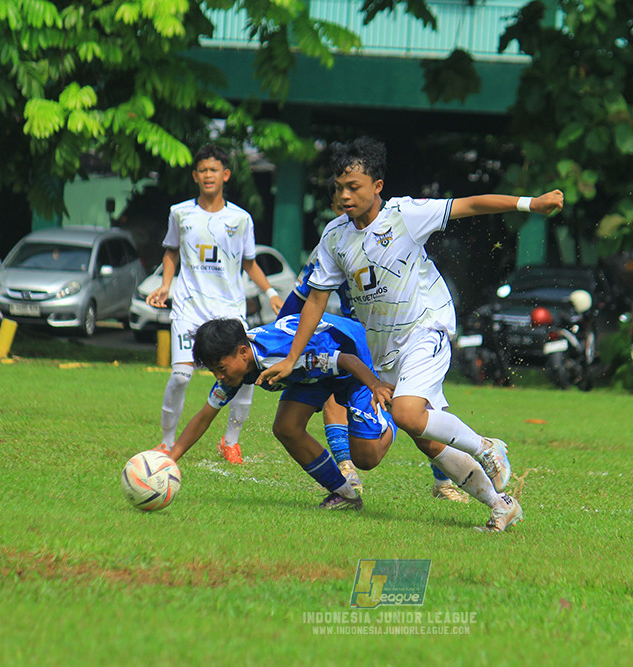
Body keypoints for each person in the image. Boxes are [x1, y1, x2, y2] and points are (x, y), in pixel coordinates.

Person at [259, 136, 565, 532]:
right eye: (339, 188)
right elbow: (316, 302)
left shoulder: (404, 215)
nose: (345, 195)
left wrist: (531, 204)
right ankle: (501, 504)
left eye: (354, 187)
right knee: (427, 438)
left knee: (406, 413)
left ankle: (487, 447)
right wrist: (289, 357)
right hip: (386, 351)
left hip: (428, 327)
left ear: (377, 187)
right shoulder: (334, 237)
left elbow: (470, 205)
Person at [281, 217, 469, 502]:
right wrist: (284, 335)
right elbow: (301, 296)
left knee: (422, 409)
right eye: (340, 195)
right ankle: (346, 468)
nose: (346, 203)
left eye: (352, 191)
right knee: (336, 390)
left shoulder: (388, 237)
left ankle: (444, 481)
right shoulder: (329, 246)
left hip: (397, 338)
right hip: (354, 336)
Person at [166, 315, 397, 510]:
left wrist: (375, 385)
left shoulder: (279, 355)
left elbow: (346, 360)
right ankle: (345, 494)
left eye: (221, 369)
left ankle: (395, 416)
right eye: (214, 370)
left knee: (366, 458)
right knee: (286, 428)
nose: (219, 376)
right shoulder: (236, 368)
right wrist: (169, 461)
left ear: (243, 352)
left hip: (350, 358)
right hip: (312, 372)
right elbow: (204, 416)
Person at [146, 144, 283, 464]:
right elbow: (171, 252)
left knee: (246, 374)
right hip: (189, 308)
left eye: (214, 170)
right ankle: (166, 443)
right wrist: (165, 286)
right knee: (180, 376)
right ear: (195, 176)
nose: (208, 175)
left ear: (226, 175)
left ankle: (230, 442)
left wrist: (271, 293)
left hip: (229, 311)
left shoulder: (241, 218)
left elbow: (250, 263)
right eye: (203, 170)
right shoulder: (180, 213)